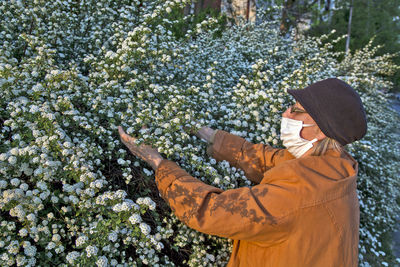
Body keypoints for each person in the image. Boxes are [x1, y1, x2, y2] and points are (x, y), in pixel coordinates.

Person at [118, 78, 367, 266]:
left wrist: (158, 163)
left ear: (321, 130)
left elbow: (210, 210)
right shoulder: (335, 168)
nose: (286, 114)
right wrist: (208, 134)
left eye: (296, 110)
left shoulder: (299, 195)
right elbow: (267, 160)